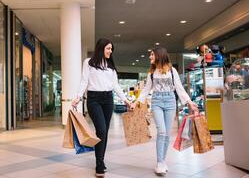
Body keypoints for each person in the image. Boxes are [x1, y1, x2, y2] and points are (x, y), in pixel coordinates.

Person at [130, 47, 198, 175]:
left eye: (152, 55)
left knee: (166, 134)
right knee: (161, 131)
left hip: (170, 102)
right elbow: (146, 90)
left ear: (159, 56)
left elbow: (179, 88)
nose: (150, 57)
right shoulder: (151, 73)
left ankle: (163, 160)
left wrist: (189, 102)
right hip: (157, 102)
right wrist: (136, 102)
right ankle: (160, 162)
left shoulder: (172, 71)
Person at [72, 38, 130, 177]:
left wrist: (126, 100)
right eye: (108, 48)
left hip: (108, 99)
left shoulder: (110, 65)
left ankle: (100, 161)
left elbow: (115, 85)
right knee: (101, 130)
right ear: (101, 48)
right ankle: (99, 164)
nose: (110, 51)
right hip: (93, 99)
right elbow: (84, 81)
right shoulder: (89, 62)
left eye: (111, 49)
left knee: (104, 132)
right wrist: (78, 97)